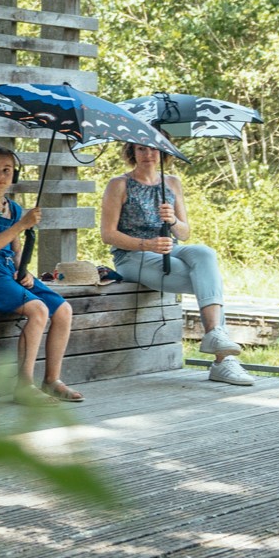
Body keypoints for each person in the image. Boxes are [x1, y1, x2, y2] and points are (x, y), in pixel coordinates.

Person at [99, 138, 253, 386]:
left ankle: (215, 336)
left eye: (153, 149)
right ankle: (223, 361)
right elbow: (107, 234)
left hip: (171, 249)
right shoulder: (119, 184)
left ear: (162, 152)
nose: (148, 154)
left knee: (205, 254)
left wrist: (171, 221)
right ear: (132, 152)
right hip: (132, 256)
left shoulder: (172, 183)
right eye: (141, 148)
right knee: (208, 283)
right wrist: (146, 244)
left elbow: (184, 233)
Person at [0, 146, 81, 405]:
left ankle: (52, 380)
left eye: (7, 170)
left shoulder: (12, 208)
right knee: (38, 309)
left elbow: (15, 250)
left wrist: (22, 271)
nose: (0, 175)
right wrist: (22, 225)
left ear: (14, 174)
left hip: (6, 270)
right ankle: (24, 385)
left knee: (63, 309)